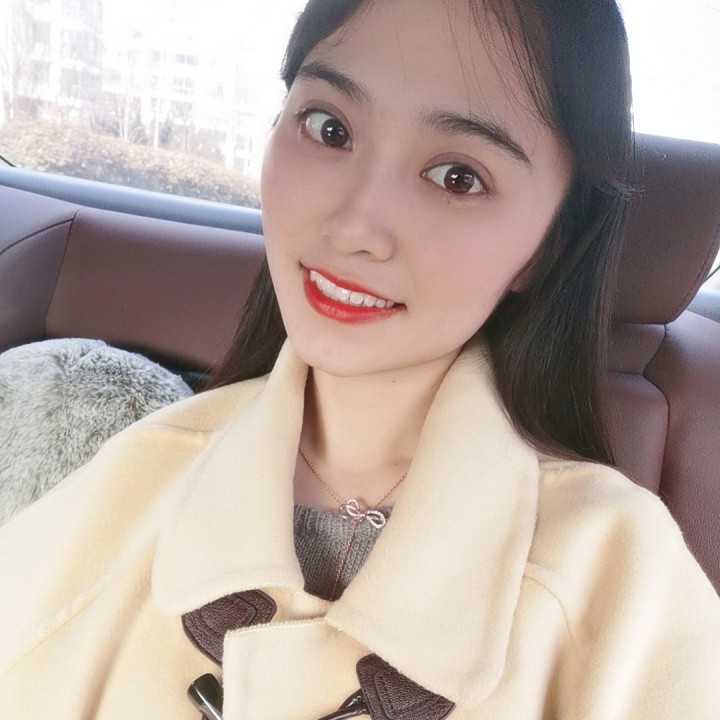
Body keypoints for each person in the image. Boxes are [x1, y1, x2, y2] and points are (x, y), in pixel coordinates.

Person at [0, 0, 719, 717]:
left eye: (458, 177)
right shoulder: (129, 488)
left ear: (551, 243)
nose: (354, 227)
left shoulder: (625, 585)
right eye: (329, 128)